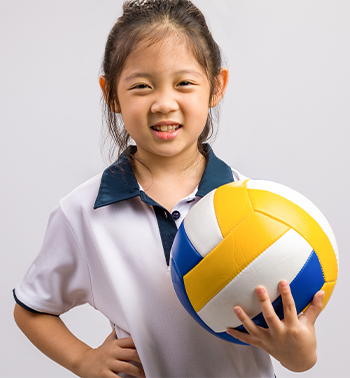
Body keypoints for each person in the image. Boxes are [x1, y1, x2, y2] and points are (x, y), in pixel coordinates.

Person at [13, 1, 325, 377]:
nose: (164, 103)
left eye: (185, 83)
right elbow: (32, 308)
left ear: (217, 87)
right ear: (111, 93)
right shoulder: (83, 212)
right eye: (142, 86)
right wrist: (83, 359)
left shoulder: (253, 207)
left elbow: (299, 359)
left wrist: (300, 348)